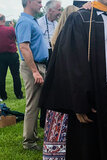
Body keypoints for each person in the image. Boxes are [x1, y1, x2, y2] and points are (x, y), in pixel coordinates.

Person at [39, 0, 107, 160]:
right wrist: (79, 103)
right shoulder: (80, 19)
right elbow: (71, 64)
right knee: (94, 146)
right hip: (94, 96)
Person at [40, 5, 79, 159]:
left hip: (55, 91)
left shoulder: (57, 36)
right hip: (68, 90)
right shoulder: (72, 38)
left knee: (57, 126)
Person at [15, 0, 49, 150]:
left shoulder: (30, 21)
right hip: (32, 67)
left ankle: (33, 136)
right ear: (29, 2)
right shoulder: (24, 22)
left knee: (36, 103)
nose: (41, 5)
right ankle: (29, 142)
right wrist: (35, 71)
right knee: (33, 105)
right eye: (38, 2)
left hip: (37, 65)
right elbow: (23, 47)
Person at [37, 0, 61, 128]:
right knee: (44, 90)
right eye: (58, 9)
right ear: (50, 10)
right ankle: (43, 121)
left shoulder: (58, 24)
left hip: (55, 58)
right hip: (44, 59)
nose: (60, 12)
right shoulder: (38, 23)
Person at [0, 14, 23, 101]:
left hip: (1, 55)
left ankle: (3, 95)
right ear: (4, 19)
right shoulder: (10, 29)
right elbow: (17, 39)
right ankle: (18, 94)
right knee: (16, 75)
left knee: (1, 76)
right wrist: (12, 27)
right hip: (12, 55)